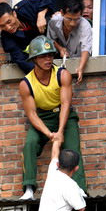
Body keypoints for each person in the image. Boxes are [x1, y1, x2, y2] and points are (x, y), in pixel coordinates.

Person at [18, 34, 87, 201]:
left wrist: (60, 131)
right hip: (43, 117)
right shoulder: (26, 84)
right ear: (34, 59)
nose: (48, 59)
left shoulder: (62, 75)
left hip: (64, 115)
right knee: (30, 144)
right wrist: (49, 134)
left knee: (72, 148)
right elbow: (32, 114)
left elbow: (65, 104)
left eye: (50, 55)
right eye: (43, 56)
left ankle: (79, 189)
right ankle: (28, 189)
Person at [0, 0, 55, 73]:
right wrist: (40, 73)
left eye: (9, 22)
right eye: (2, 26)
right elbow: (22, 60)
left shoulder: (25, 7)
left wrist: (41, 15)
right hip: (40, 61)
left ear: (14, 14)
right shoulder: (7, 38)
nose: (8, 27)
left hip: (55, 45)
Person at [47, 0, 92, 84]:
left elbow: (86, 48)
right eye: (69, 19)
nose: (72, 23)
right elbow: (50, 40)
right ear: (62, 13)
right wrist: (60, 48)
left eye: (76, 19)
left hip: (78, 60)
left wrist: (80, 68)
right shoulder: (53, 21)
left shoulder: (85, 26)